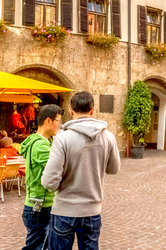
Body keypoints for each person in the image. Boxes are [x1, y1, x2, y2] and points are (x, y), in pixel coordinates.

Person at [42, 92, 120, 250]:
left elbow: (49, 182)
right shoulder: (108, 137)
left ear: (71, 110)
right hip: (92, 210)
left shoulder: (62, 139)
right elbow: (113, 169)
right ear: (92, 110)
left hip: (64, 210)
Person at [20, 104, 62, 250]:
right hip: (39, 207)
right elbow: (60, 169)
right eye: (59, 121)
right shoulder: (40, 146)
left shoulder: (45, 142)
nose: (60, 125)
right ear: (48, 121)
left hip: (41, 205)